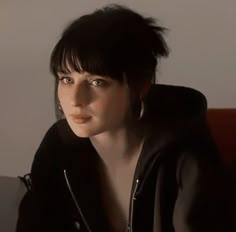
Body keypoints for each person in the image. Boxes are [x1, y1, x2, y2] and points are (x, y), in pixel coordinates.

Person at [16, 4, 235, 232]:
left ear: (140, 85)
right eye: (66, 79)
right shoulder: (58, 146)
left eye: (96, 82)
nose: (75, 99)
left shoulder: (183, 150)